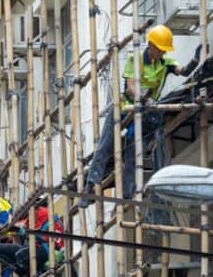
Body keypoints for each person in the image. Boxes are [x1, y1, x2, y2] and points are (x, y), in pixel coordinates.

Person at [79, 24, 200, 208]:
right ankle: (89, 189)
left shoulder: (165, 63)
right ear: (151, 46)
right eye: (160, 49)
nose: (161, 53)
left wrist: (195, 60)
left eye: (164, 50)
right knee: (105, 147)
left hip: (144, 115)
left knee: (134, 153)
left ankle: (128, 194)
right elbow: (130, 87)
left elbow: (182, 71)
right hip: (125, 108)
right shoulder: (135, 60)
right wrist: (143, 99)